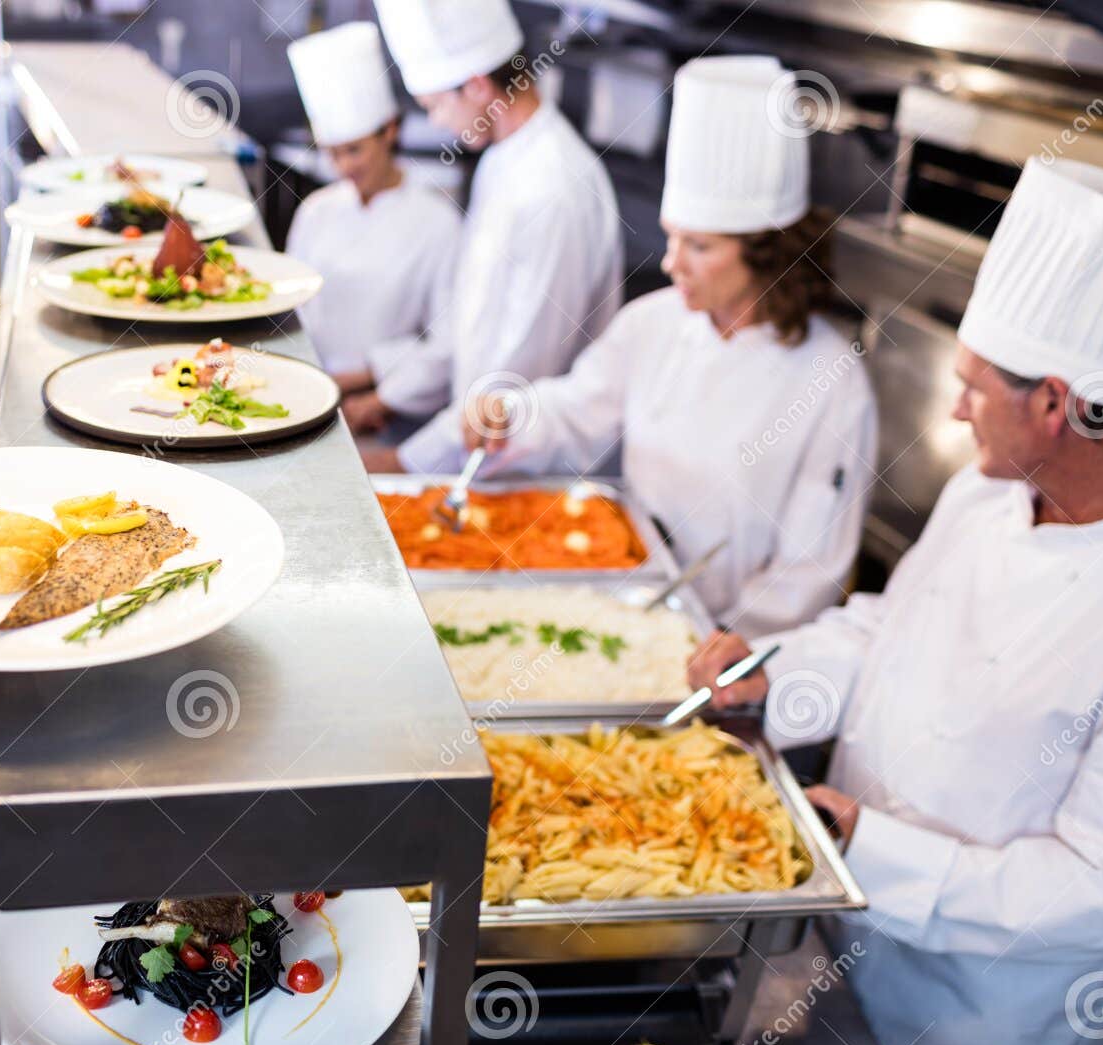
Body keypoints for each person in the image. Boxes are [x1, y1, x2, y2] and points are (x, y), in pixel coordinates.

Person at [689, 156, 1103, 1045]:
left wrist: (877, 848)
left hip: (976, 1039)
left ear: (1056, 404)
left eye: (976, 386)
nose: (956, 405)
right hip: (843, 949)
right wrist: (769, 676)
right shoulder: (987, 493)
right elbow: (881, 629)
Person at [465, 57, 877, 637]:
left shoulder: (831, 381)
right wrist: (510, 415)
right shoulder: (652, 324)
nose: (669, 263)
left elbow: (808, 573)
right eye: (671, 237)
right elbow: (577, 407)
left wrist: (718, 645)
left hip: (725, 649)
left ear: (767, 253)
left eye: (700, 247)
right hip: (619, 601)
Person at [361, 0, 621, 469]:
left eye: (435, 105)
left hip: (525, 470)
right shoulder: (503, 159)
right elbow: (472, 328)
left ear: (478, 87)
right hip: (472, 449)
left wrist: (403, 463)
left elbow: (513, 387)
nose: (437, 122)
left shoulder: (552, 190)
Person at [284, 21, 462, 425]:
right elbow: (292, 311)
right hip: (308, 392)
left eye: (354, 150)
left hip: (386, 409)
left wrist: (375, 395)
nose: (343, 166)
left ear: (390, 130)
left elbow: (447, 344)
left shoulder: (437, 223)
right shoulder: (316, 209)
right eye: (332, 153)